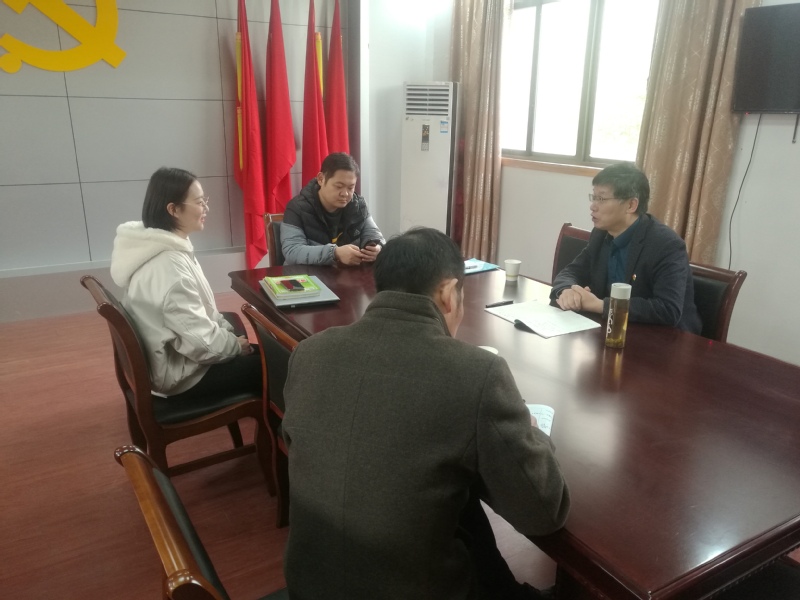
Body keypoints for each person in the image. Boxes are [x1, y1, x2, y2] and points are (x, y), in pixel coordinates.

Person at [282, 227, 570, 599]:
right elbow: (544, 513)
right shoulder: (476, 373)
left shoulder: (310, 353)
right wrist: (534, 432)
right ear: (449, 294)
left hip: (308, 585)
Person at [110, 167, 261, 400]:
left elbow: (199, 314)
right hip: (180, 376)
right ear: (173, 210)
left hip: (172, 358)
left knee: (251, 345)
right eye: (199, 202)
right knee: (272, 364)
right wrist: (233, 345)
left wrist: (227, 335)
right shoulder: (170, 267)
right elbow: (201, 345)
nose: (206, 208)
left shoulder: (158, 246)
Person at [551, 162, 702, 333]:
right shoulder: (600, 234)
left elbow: (668, 309)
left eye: (601, 199)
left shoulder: (666, 245)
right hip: (613, 329)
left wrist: (601, 305)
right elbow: (572, 271)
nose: (593, 206)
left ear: (631, 205)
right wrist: (566, 290)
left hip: (665, 338)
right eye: (593, 197)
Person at [281, 152, 385, 266]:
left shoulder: (358, 205)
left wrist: (377, 248)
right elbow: (292, 251)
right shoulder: (297, 208)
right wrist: (335, 253)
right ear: (321, 179)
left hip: (348, 274)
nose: (345, 194)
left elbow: (375, 234)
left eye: (351, 188)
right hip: (309, 274)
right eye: (338, 186)